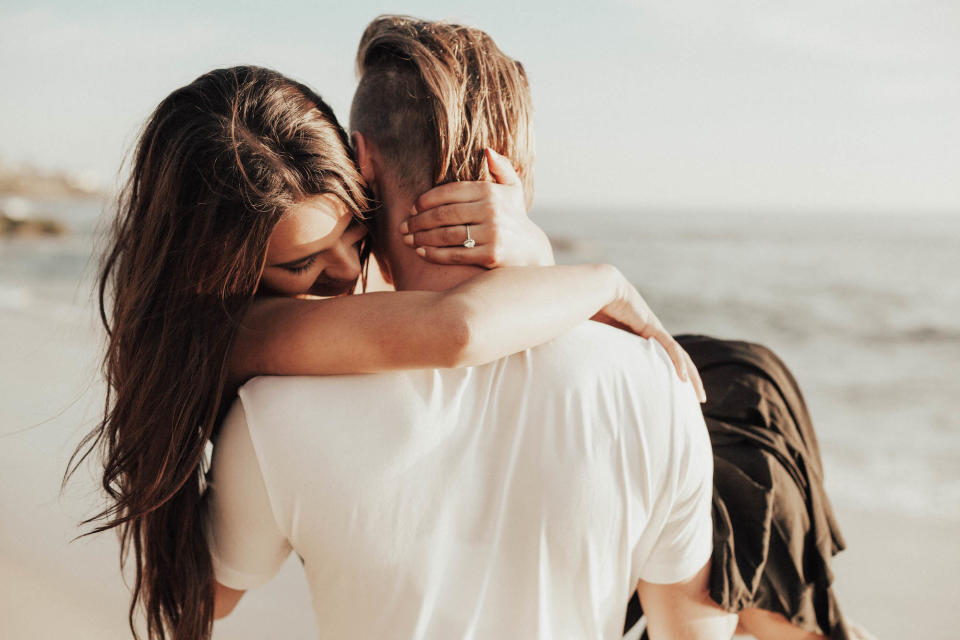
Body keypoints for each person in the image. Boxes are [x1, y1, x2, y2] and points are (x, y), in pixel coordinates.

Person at [70, 65, 702, 639]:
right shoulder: (240, 332)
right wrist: (596, 279)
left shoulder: (281, 387)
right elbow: (454, 331)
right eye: (301, 262)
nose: (347, 270)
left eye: (356, 224)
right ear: (219, 265)